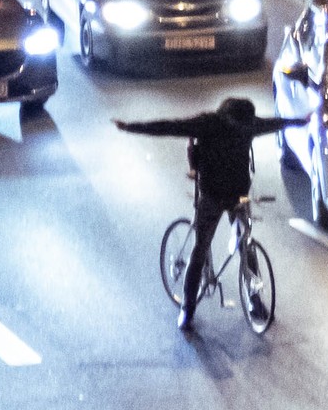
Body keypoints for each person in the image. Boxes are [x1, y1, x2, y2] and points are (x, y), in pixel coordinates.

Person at [114, 98, 284, 327]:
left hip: (238, 196)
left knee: (247, 246)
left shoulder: (248, 123)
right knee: (200, 249)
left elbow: (277, 123)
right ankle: (188, 308)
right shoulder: (209, 124)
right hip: (212, 196)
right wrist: (131, 127)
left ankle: (254, 300)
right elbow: (169, 127)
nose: (244, 129)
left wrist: (301, 121)